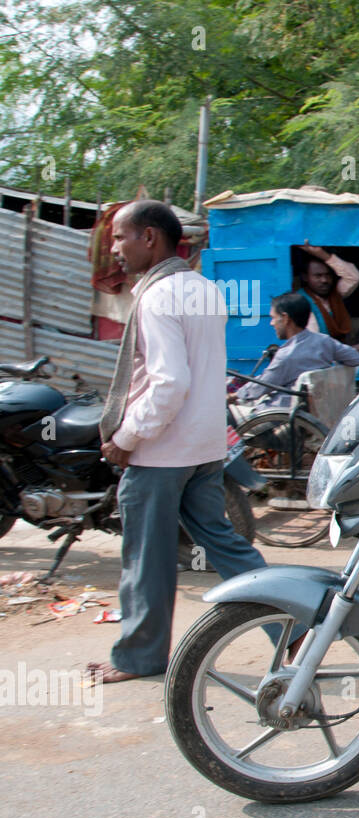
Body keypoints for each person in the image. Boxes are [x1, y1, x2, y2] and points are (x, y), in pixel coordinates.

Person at [87, 201, 269, 684]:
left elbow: (168, 382)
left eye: (121, 237)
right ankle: (292, 627)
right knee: (228, 548)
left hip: (161, 452)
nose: (115, 249)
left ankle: (139, 657)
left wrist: (126, 438)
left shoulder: (157, 295)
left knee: (147, 559)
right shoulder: (203, 288)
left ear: (150, 237)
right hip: (206, 447)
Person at [232, 291, 359, 408]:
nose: (271, 323)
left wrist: (233, 397)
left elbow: (261, 386)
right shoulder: (324, 341)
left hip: (281, 415)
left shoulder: (286, 356)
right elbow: (355, 358)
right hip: (319, 408)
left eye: (273, 318)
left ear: (285, 318)